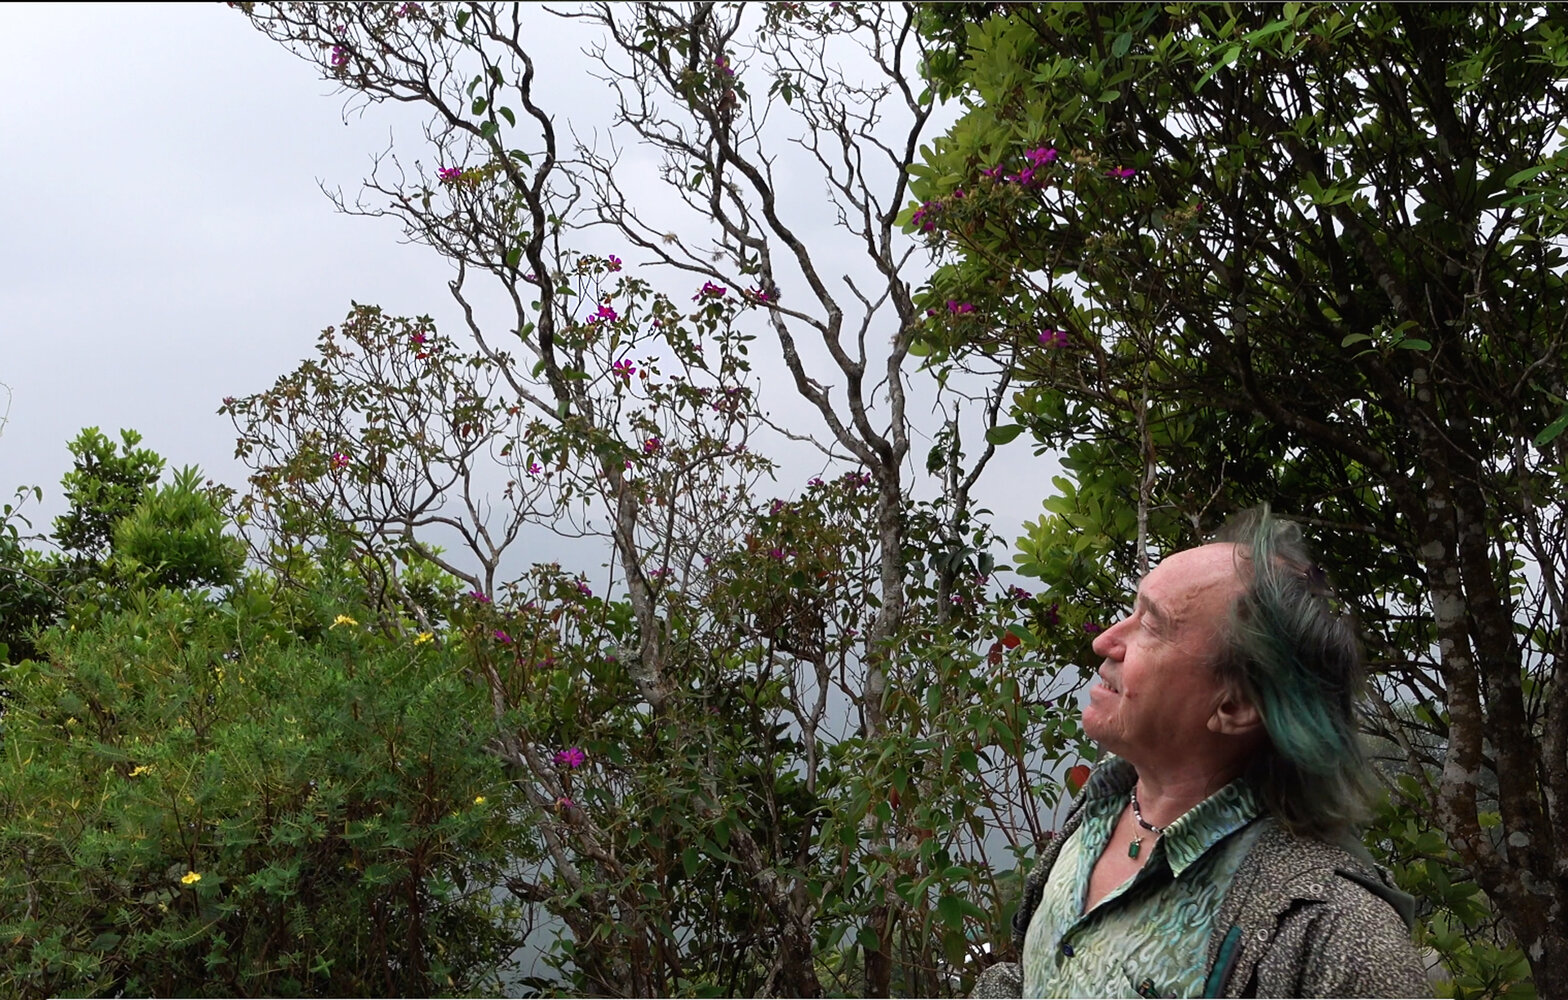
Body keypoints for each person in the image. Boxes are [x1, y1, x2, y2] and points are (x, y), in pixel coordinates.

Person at [974, 507, 1431, 998]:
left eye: (1152, 626)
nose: (1104, 641)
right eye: (1132, 611)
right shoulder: (1107, 800)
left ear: (1235, 705)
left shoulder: (1337, 936)